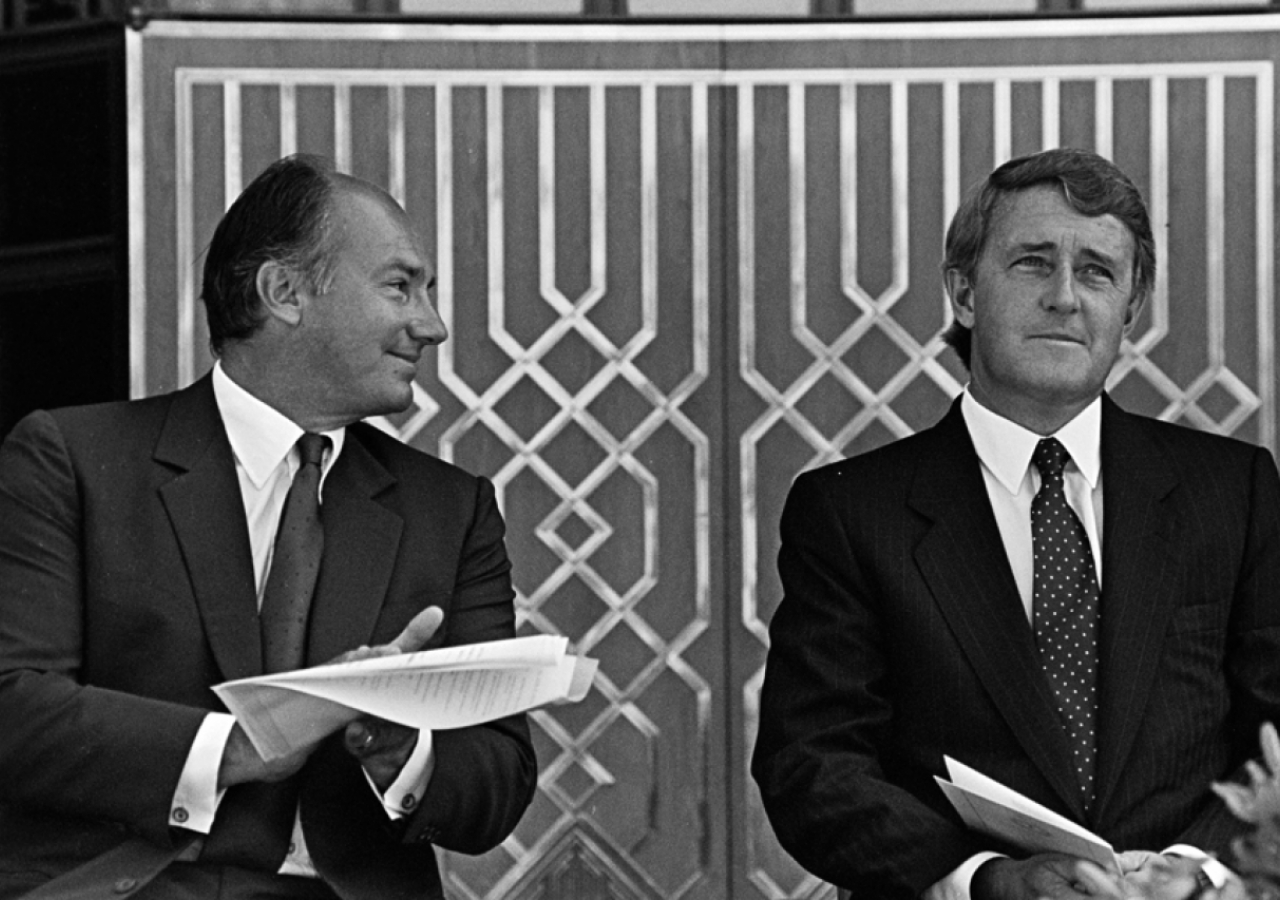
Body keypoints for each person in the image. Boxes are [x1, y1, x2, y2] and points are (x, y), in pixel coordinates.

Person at [0, 154, 536, 900]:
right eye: (400, 287)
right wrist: (235, 747)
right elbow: (14, 704)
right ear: (284, 292)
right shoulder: (71, 460)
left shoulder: (453, 508)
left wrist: (402, 752)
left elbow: (500, 778)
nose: (432, 326)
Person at [752, 148, 1280, 900]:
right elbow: (812, 764)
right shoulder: (848, 511)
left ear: (1130, 306)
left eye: (1097, 270)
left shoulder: (1235, 491)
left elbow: (1275, 740)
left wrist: (1199, 874)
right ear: (965, 294)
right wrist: (984, 880)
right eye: (1033, 263)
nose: (1066, 296)